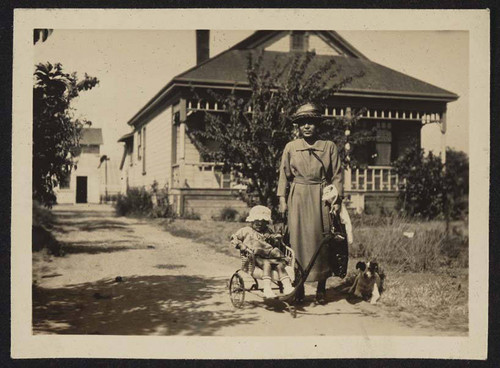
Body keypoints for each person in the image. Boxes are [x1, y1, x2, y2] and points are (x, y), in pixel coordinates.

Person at [277, 102, 344, 305]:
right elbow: (284, 175)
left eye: (311, 123)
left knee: (321, 239)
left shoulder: (329, 147)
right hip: (297, 196)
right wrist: (282, 199)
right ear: (298, 126)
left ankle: (321, 288)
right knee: (296, 241)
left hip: (320, 197)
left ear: (318, 125)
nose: (307, 126)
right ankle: (298, 287)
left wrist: (336, 201)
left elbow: (337, 176)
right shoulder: (291, 147)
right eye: (302, 123)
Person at [230, 205, 294, 299]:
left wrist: (275, 238)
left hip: (270, 255)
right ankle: (267, 288)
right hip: (254, 258)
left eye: (263, 222)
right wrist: (241, 245)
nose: (259, 224)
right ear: (251, 221)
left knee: (280, 264)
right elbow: (234, 238)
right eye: (257, 221)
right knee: (266, 263)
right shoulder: (246, 231)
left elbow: (273, 242)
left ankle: (287, 286)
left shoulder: (268, 231)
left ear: (267, 222)